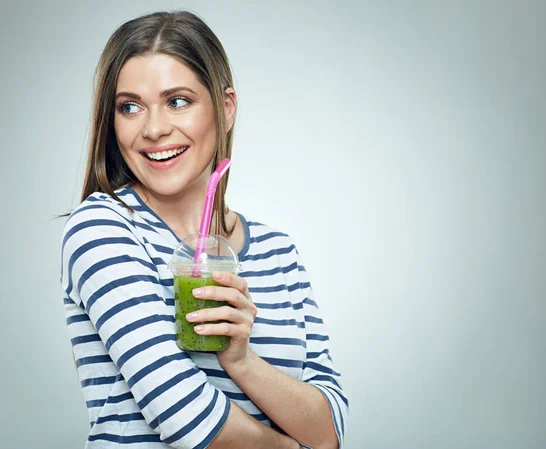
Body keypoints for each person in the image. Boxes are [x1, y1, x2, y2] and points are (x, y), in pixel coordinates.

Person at [60, 9, 348, 449]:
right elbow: (181, 413)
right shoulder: (104, 228)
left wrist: (242, 361)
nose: (154, 129)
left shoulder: (278, 252)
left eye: (178, 101)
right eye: (130, 107)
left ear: (225, 108)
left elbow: (329, 429)